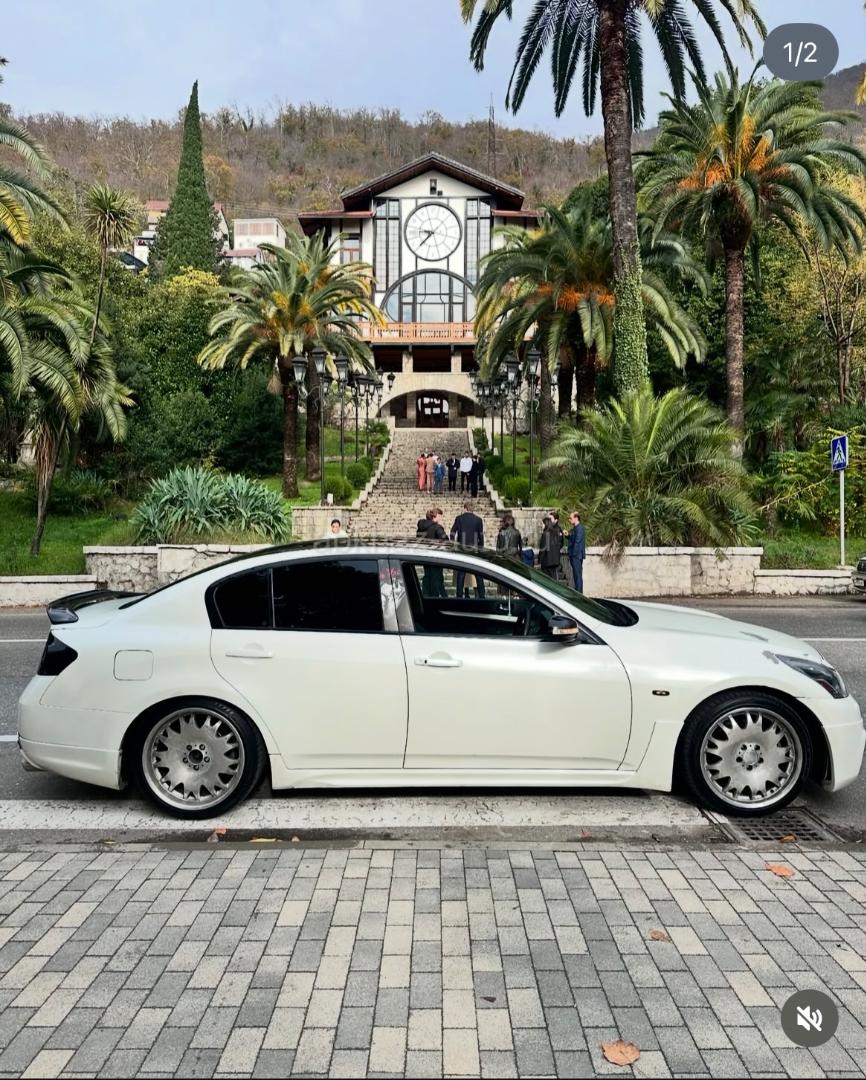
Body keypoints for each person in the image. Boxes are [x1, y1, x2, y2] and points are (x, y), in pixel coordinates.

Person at [450, 501, 485, 598]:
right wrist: (481, 547)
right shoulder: (478, 520)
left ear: (465, 508)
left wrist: (453, 544)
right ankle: (482, 595)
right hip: (474, 548)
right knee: (478, 574)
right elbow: (481, 536)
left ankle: (459, 595)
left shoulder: (459, 518)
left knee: (461, 574)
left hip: (462, 548)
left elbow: (452, 532)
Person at [421, 508, 448, 596]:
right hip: (436, 557)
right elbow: (446, 541)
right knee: (437, 579)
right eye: (440, 516)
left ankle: (427, 595)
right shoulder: (437, 527)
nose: (441, 518)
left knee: (428, 576)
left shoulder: (421, 527)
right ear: (435, 517)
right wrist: (441, 527)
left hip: (425, 557)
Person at [539, 512, 564, 580]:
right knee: (554, 577)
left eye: (551, 518)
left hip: (548, 560)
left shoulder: (550, 532)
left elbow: (544, 548)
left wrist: (540, 559)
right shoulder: (552, 532)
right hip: (554, 559)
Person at [567, 510, 586, 592]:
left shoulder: (580, 528)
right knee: (576, 575)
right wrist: (568, 535)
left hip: (577, 555)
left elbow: (577, 542)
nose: (569, 520)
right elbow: (573, 539)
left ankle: (579, 593)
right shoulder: (575, 528)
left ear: (576, 518)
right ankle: (578, 591)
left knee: (578, 575)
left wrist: (573, 554)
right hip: (574, 555)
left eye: (571, 518)